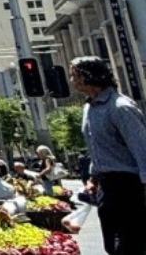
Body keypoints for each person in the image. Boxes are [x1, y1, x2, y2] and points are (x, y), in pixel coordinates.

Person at [71, 56, 146, 255]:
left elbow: (142, 147)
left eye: (75, 75)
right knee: (111, 243)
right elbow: (96, 147)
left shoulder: (120, 107)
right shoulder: (89, 108)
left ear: (89, 76)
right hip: (106, 186)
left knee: (131, 244)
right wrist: (93, 177)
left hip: (130, 185)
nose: (72, 80)